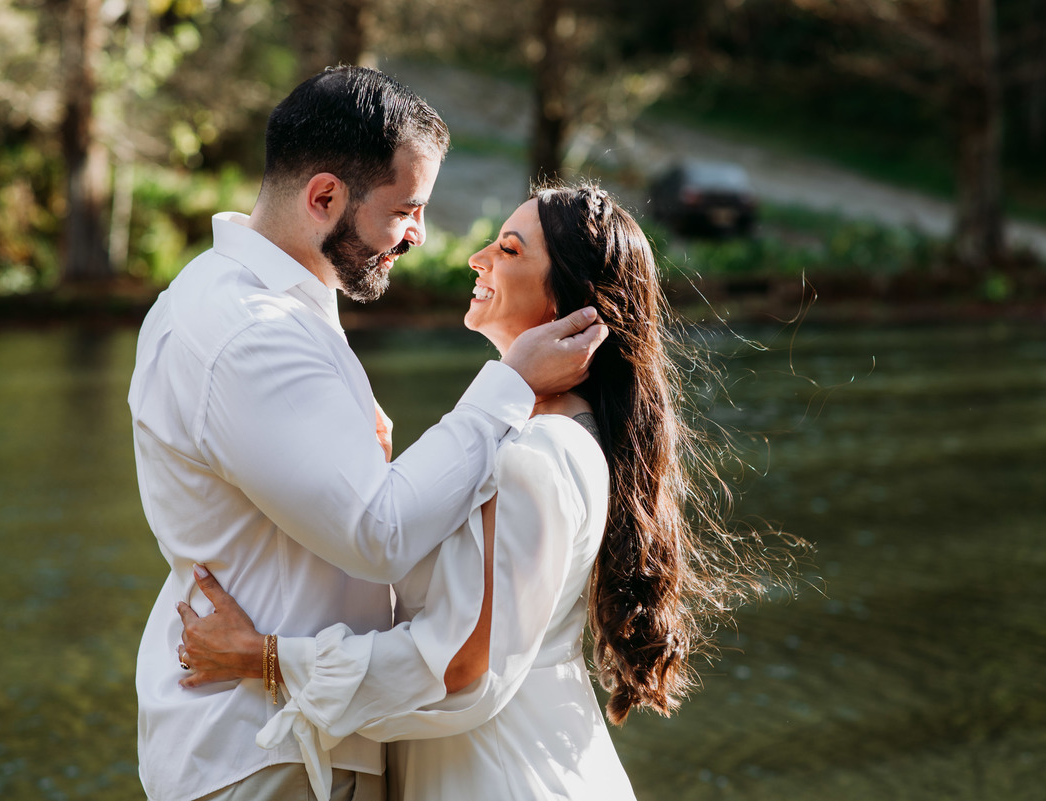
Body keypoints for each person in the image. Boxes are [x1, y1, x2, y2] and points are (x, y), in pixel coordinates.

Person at [177, 184, 797, 800]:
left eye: (508, 248)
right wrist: (377, 474)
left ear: (568, 303)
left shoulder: (540, 456)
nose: (478, 257)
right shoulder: (521, 434)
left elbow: (460, 667)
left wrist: (265, 658)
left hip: (504, 778)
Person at [128, 67, 608, 801]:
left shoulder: (274, 303)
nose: (420, 235)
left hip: (300, 734)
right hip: (265, 747)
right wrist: (507, 384)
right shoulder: (252, 333)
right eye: (406, 209)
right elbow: (377, 532)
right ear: (324, 197)